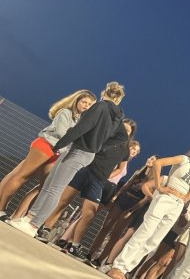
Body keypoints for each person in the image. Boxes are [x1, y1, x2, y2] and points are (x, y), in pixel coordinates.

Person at [10, 81, 126, 237]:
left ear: (104, 93)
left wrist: (60, 144)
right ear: (118, 99)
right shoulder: (117, 117)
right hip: (79, 150)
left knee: (55, 188)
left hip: (80, 151)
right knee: (50, 184)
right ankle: (28, 218)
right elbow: (122, 137)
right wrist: (99, 144)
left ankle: (33, 225)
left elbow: (81, 127)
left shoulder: (100, 106)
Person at [106, 143, 190, 279]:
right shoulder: (184, 160)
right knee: (145, 232)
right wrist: (159, 187)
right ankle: (118, 266)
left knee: (153, 241)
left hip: (177, 205)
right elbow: (158, 163)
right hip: (165, 198)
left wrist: (187, 197)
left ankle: (125, 269)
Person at [40, 119, 137, 256]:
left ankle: (74, 245)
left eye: (127, 131)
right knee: (63, 201)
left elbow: (121, 169)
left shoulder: (125, 150)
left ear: (130, 134)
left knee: (89, 214)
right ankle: (45, 228)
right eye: (122, 128)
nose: (124, 132)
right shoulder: (105, 138)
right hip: (84, 172)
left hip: (98, 181)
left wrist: (107, 176)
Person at [0, 89, 96, 220]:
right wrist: (77, 137)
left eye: (90, 104)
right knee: (21, 176)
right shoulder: (66, 112)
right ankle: (1, 209)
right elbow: (62, 134)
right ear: (76, 101)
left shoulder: (79, 119)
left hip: (56, 153)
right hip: (46, 146)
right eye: (84, 102)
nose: (86, 106)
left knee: (43, 186)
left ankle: (20, 217)